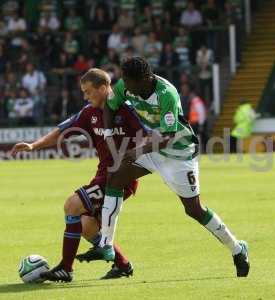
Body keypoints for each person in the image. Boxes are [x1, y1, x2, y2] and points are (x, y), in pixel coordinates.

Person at [80, 57, 250, 277]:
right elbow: (110, 107)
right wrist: (110, 136)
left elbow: (168, 137)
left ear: (145, 79)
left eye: (130, 84)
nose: (126, 88)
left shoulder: (166, 94)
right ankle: (106, 245)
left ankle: (237, 249)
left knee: (194, 210)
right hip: (153, 150)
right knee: (116, 177)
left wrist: (133, 152)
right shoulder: (126, 84)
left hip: (179, 155)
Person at [11, 68, 146, 282]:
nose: (85, 96)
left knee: (72, 205)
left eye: (88, 91)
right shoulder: (89, 113)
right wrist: (33, 146)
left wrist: (134, 164)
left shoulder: (126, 110)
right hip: (103, 176)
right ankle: (122, 264)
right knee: (86, 226)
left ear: (103, 88)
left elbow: (147, 138)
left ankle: (66, 268)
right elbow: (62, 131)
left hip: (121, 178)